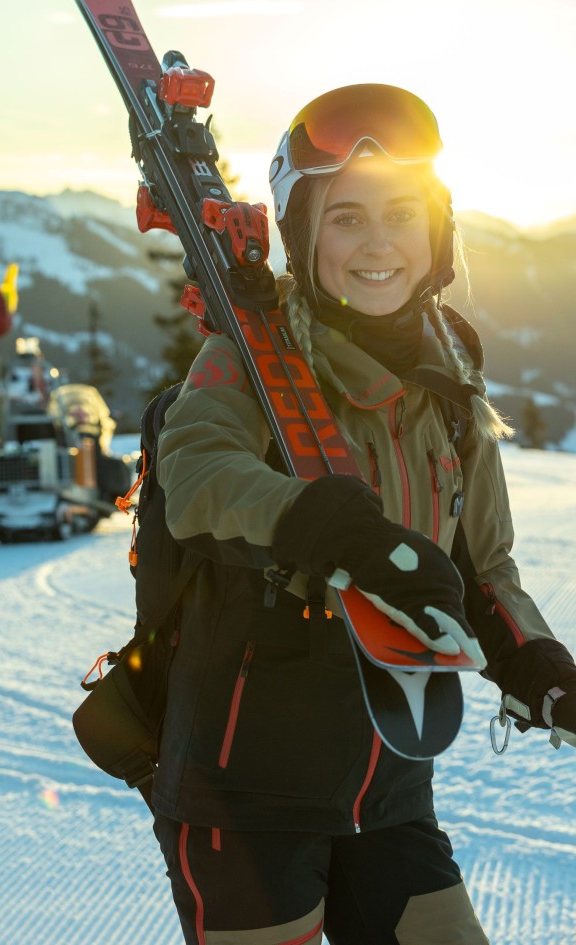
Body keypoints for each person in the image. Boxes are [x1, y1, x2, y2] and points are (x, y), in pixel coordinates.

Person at [150, 84, 576, 944]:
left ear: (436, 231)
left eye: (401, 214)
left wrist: (537, 665)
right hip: (245, 794)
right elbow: (195, 471)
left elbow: (483, 566)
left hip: (389, 783)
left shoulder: (451, 383)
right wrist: (322, 523)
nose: (379, 242)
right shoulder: (253, 357)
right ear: (303, 234)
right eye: (346, 218)